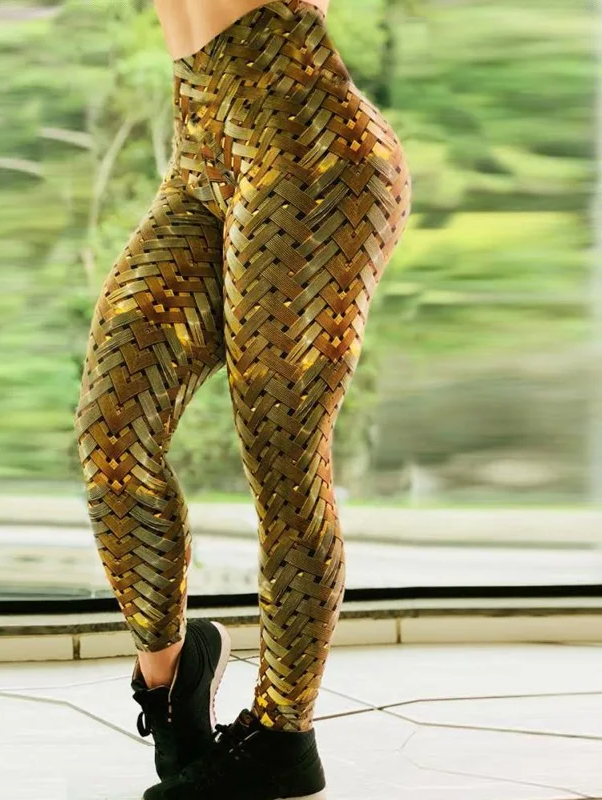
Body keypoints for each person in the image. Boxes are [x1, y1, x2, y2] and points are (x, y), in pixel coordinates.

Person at [73, 0, 411, 797]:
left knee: (283, 460)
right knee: (112, 430)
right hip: (203, 153)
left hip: (314, 156)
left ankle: (282, 737)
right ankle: (170, 676)